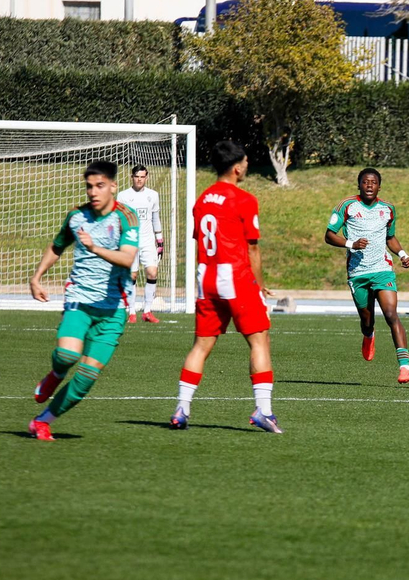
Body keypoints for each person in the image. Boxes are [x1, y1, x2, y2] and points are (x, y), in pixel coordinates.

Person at [169, 139, 281, 433]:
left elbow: (202, 240)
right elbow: (252, 249)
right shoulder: (244, 199)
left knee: (202, 344)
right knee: (259, 340)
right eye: (244, 163)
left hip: (206, 276)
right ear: (236, 167)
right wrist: (260, 284)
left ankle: (182, 408)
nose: (246, 167)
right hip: (235, 277)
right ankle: (264, 411)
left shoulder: (202, 200)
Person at [27, 161, 140, 441]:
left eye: (100, 185)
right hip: (79, 300)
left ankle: (43, 421)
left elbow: (127, 258)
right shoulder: (76, 217)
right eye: (89, 186)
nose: (93, 191)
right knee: (67, 355)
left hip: (114, 309)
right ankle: (56, 372)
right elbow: (57, 245)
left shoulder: (126, 217)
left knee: (87, 376)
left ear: (113, 186)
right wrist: (37, 276)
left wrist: (93, 246)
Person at [325, 168, 409, 384]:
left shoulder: (388, 209)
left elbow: (390, 237)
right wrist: (351, 244)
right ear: (359, 185)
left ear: (379, 186)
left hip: (382, 270)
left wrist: (402, 254)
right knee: (367, 320)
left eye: (374, 182)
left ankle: (405, 367)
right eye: (365, 182)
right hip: (358, 273)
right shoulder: (347, 206)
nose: (370, 185)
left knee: (391, 314)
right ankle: (368, 335)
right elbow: (329, 235)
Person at [117, 164, 165, 323]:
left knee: (152, 272)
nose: (139, 179)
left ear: (147, 177)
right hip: (130, 241)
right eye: (136, 176)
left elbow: (155, 218)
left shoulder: (153, 195)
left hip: (147, 240)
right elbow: (119, 219)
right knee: (132, 275)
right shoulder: (123, 196)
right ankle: (131, 311)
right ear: (132, 177)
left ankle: (147, 311)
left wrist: (159, 239)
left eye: (142, 176)